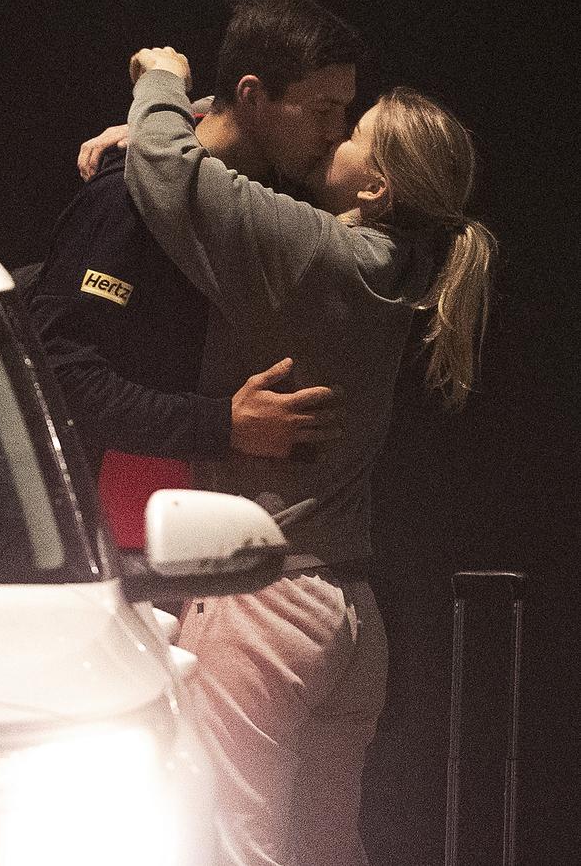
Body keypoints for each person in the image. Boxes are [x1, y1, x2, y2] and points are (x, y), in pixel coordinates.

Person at [121, 44, 496, 866]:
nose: (334, 138)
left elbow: (169, 173)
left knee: (227, 848)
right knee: (329, 851)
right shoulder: (392, 265)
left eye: (352, 130)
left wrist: (162, 83)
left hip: (265, 602)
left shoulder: (318, 251)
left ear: (376, 187)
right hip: (350, 617)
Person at [21, 0, 367, 549]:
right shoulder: (123, 200)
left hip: (230, 539)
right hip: (133, 541)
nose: (337, 133)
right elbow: (55, 375)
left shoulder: (283, 201)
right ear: (253, 96)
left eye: (344, 112)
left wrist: (163, 112)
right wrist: (221, 425)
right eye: (323, 111)